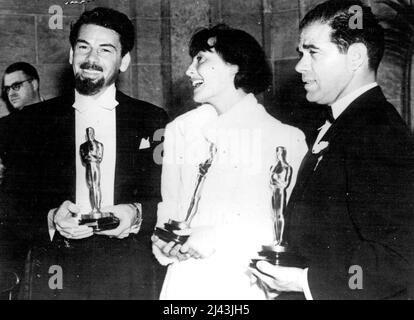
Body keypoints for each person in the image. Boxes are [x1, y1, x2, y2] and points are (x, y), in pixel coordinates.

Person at [0, 7, 168, 299]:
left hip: (128, 276)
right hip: (56, 274)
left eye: (105, 50)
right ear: (71, 55)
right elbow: (10, 204)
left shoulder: (152, 119)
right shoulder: (30, 122)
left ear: (124, 60)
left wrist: (137, 214)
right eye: (83, 47)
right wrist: (52, 219)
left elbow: (169, 198)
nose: (91, 59)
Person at [251, 0, 414, 300]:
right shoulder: (343, 123)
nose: (300, 65)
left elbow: (398, 257)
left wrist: (305, 282)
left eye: (313, 52)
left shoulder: (378, 132)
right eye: (302, 53)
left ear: (355, 57)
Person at [152, 24, 308, 299]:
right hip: (184, 285)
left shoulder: (284, 139)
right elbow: (170, 208)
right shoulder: (181, 130)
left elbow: (285, 231)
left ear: (235, 66)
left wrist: (215, 237)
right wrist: (163, 243)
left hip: (242, 285)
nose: (189, 70)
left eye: (201, 59)